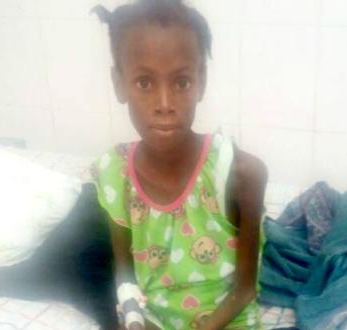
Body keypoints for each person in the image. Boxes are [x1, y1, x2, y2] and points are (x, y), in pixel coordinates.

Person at [90, 1, 268, 329]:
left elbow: (244, 290)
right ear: (119, 84)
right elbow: (125, 274)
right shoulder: (114, 173)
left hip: (227, 320)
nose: (165, 104)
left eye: (181, 83)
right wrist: (132, 318)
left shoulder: (238, 173)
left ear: (200, 81)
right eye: (144, 83)